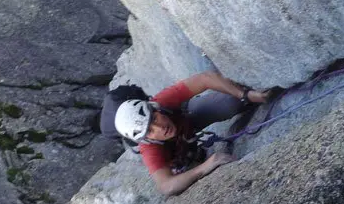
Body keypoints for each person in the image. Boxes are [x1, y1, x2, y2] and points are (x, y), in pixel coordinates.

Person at [111, 70, 270, 196]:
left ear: (155, 108)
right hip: (183, 148)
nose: (160, 127)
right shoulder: (150, 149)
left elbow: (204, 79)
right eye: (150, 131)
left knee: (232, 102)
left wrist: (244, 95)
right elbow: (166, 186)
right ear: (145, 139)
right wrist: (205, 167)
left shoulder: (162, 102)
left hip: (189, 119)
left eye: (154, 118)